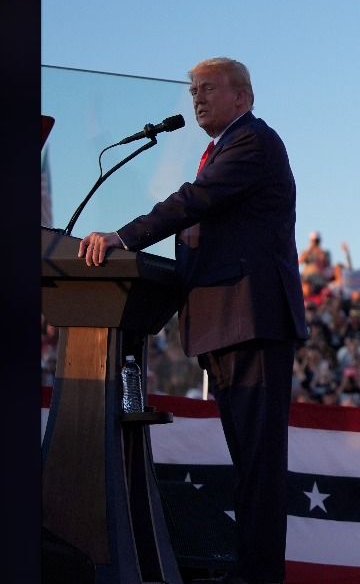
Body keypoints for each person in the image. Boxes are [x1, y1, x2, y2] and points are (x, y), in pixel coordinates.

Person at [78, 57, 307, 584]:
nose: (197, 98)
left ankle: (259, 575)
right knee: (248, 464)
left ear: (242, 99)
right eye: (193, 90)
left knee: (259, 466)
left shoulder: (253, 143)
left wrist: (123, 236)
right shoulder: (220, 151)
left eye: (208, 89)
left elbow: (194, 202)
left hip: (253, 322)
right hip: (225, 324)